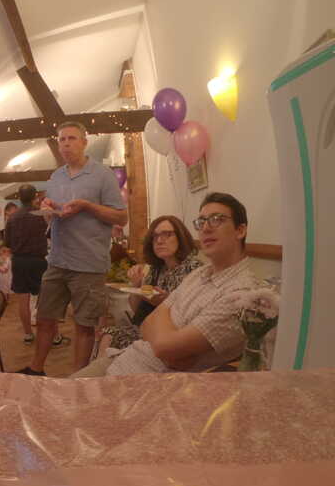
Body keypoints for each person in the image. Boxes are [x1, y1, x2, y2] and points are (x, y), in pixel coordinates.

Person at [72, 192, 260, 377]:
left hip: (146, 378)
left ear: (240, 230)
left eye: (217, 219)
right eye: (201, 222)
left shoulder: (241, 294)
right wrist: (143, 295)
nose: (205, 228)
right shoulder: (194, 273)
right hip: (129, 357)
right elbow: (145, 321)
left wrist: (163, 333)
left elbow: (165, 345)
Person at [18, 122, 127, 376]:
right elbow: (53, 213)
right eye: (62, 139)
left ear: (84, 142)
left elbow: (121, 218)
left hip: (89, 264)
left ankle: (78, 378)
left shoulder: (102, 174)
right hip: (57, 260)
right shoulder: (56, 177)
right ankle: (36, 369)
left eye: (72, 138)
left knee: (84, 324)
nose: (66, 143)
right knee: (45, 317)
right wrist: (49, 208)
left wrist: (87, 206)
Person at [98, 216, 202, 354]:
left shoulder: (193, 268)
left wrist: (166, 302)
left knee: (110, 337)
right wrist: (136, 285)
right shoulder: (156, 268)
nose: (159, 240)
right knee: (107, 334)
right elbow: (137, 310)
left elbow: (192, 315)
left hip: (172, 335)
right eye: (155, 236)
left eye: (167, 234)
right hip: (147, 328)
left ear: (181, 237)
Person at [4, 184, 50, 345]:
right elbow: (51, 235)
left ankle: (28, 334)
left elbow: (7, 243)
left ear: (19, 197)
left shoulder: (12, 218)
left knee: (23, 300)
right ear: (35, 196)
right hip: (38, 261)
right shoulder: (41, 215)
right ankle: (52, 335)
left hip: (19, 261)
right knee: (45, 300)